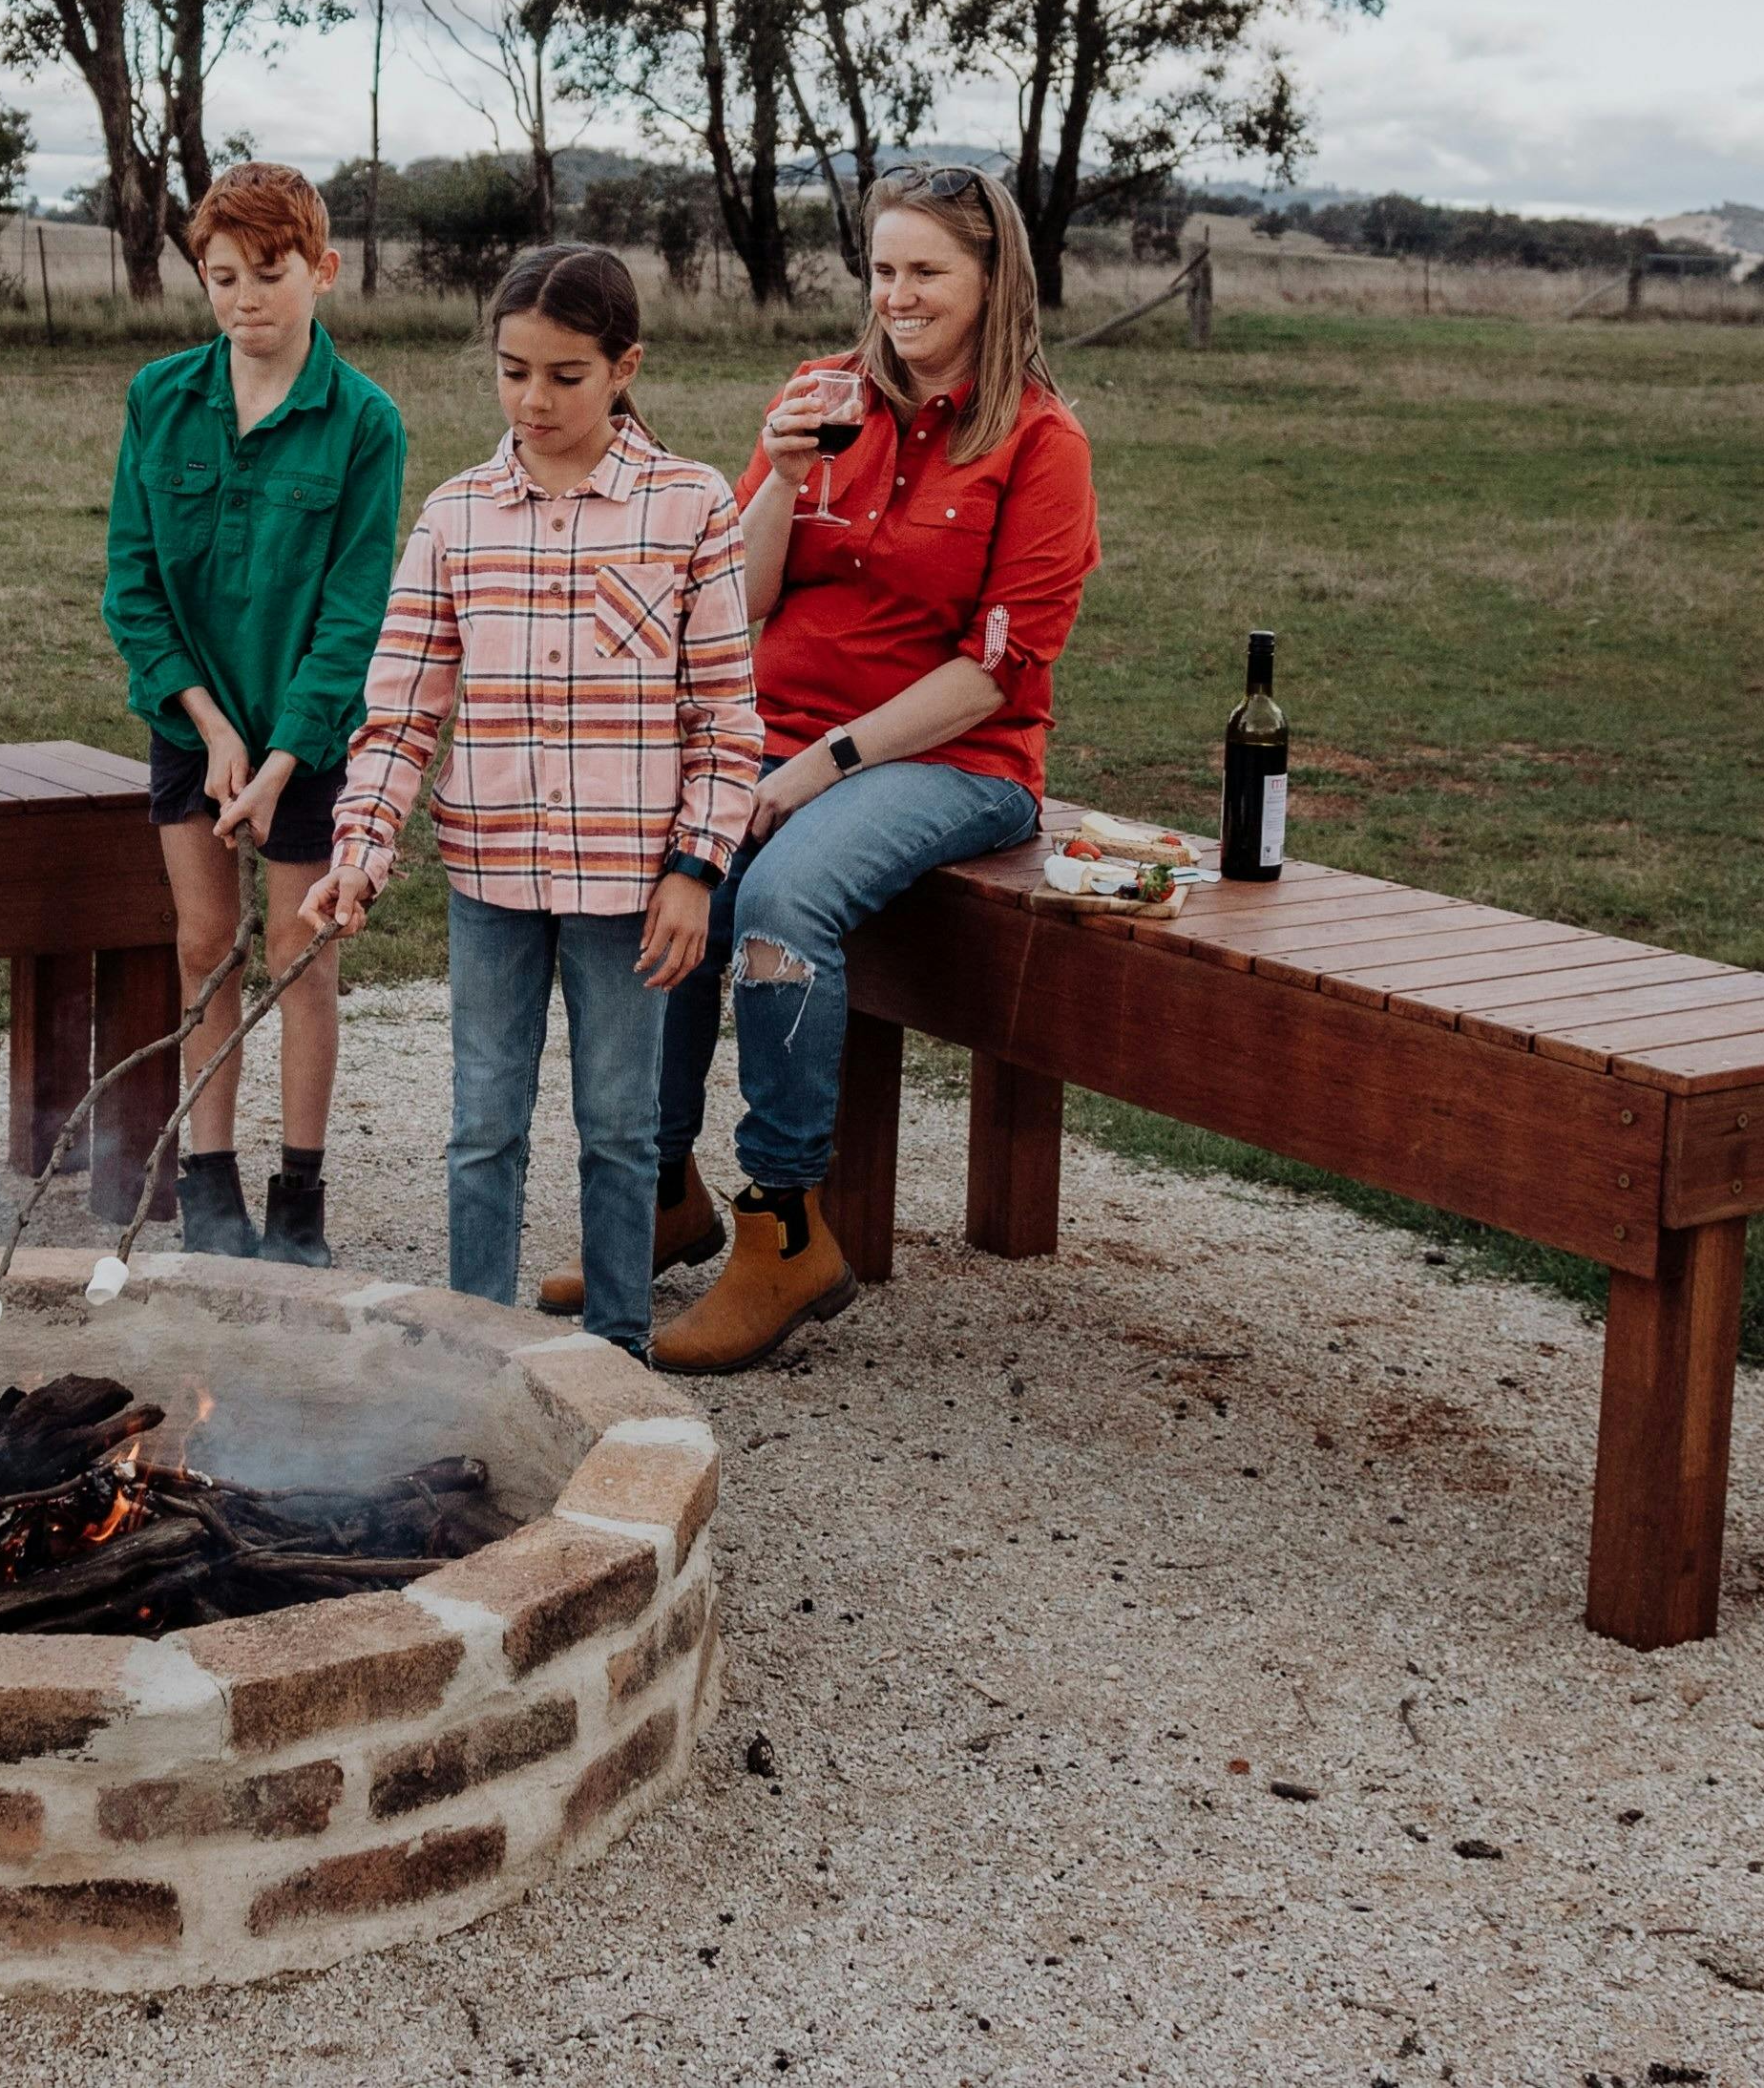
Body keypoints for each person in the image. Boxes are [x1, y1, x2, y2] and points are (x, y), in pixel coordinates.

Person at [580, 164, 1100, 1374]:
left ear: (991, 278)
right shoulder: (823, 396)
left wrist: (819, 762)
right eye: (881, 269)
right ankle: (658, 1192)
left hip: (951, 756)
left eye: (927, 272)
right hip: (775, 732)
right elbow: (739, 601)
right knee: (666, 872)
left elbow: (989, 674)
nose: (897, 295)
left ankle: (784, 1228)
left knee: (777, 898)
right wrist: (781, 482)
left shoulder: (1039, 441)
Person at [306, 244, 760, 1352]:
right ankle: (475, 1346)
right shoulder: (456, 517)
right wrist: (360, 848)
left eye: (564, 374)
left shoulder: (691, 505)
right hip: (491, 872)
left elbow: (725, 722)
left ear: (623, 367)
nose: (533, 399)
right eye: (513, 371)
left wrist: (695, 869)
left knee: (618, 1127)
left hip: (630, 886)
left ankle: (615, 1353)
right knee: (479, 1124)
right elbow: (401, 712)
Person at [101, 163, 410, 1266]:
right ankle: (208, 1185)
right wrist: (211, 725)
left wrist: (280, 749)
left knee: (297, 951)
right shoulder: (160, 397)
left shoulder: (364, 422)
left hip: (308, 733)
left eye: (268, 275)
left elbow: (353, 611)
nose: (243, 299)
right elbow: (130, 585)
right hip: (192, 723)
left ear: (321, 272)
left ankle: (299, 1199)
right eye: (220, 276)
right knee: (201, 946)